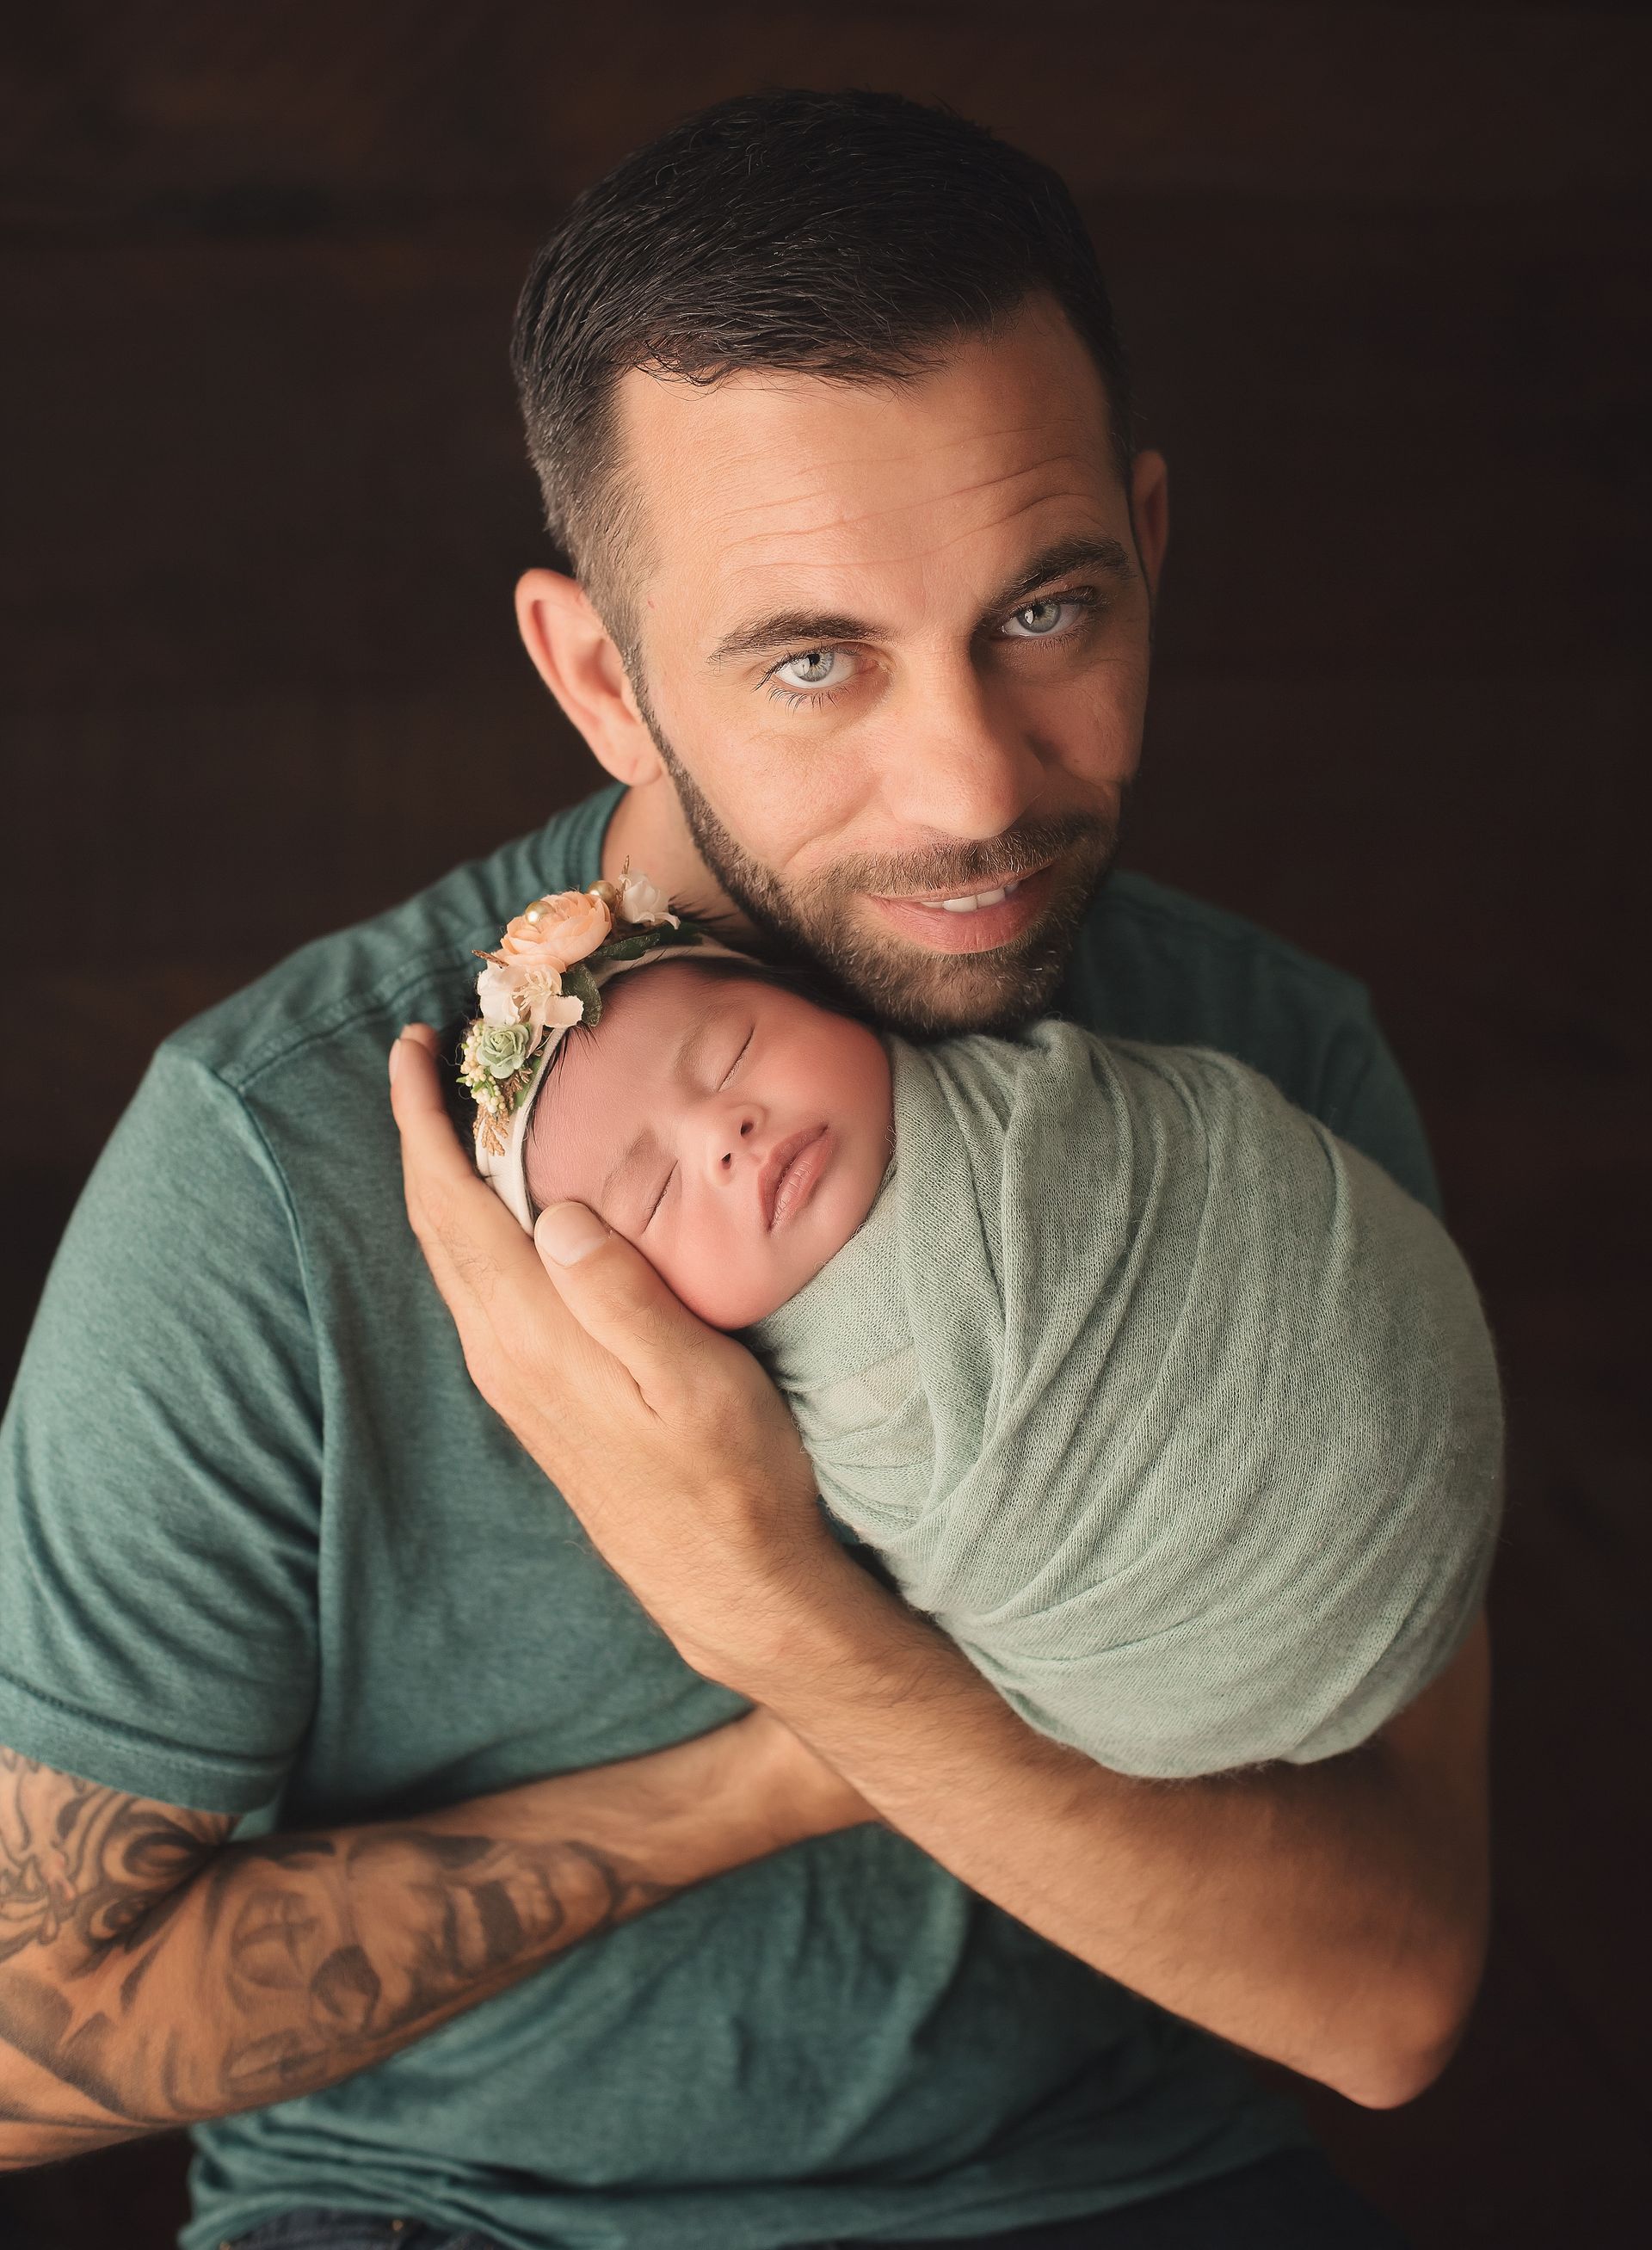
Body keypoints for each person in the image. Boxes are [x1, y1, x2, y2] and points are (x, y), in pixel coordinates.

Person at [0, 89, 1489, 2250]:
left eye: (1045, 611)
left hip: (1120, 2192)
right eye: (815, 660)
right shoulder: (276, 1161)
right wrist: (776, 1748)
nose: (972, 782)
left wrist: (782, 1620)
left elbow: (1387, 1992)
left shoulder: (1261, 1060)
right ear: (598, 674)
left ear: (1148, 542)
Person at [477, 902, 1500, 1781]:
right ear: (633, 1298)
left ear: (819, 999)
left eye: (733, 1051)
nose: (725, 1131)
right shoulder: (825, 1418)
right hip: (1212, 1658)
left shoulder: (1029, 1093)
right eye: (655, 1192)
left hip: (1423, 1400)